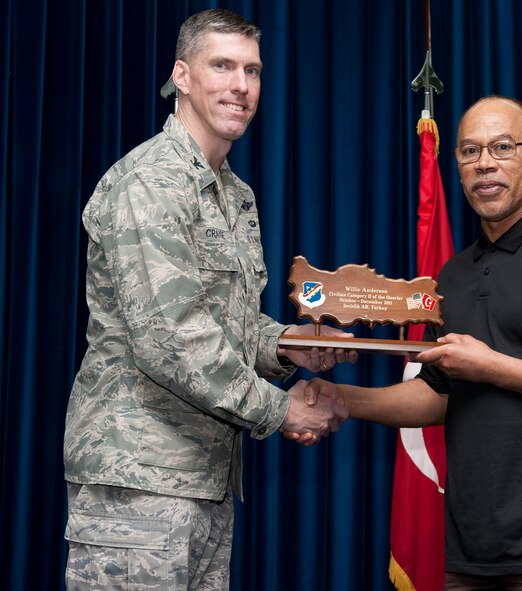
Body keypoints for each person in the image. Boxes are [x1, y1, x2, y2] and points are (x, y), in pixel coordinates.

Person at [284, 96, 522, 590]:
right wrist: (343, 399)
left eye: (503, 147)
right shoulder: (453, 276)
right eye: (469, 151)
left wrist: (492, 366)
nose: (485, 163)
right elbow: (438, 392)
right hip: (470, 553)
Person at [63, 9, 353, 589]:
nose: (240, 85)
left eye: (252, 70)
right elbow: (172, 339)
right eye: (221, 66)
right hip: (137, 481)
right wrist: (282, 409)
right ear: (183, 76)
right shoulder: (150, 181)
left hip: (203, 478)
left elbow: (230, 323)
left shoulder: (233, 194)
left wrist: (293, 345)